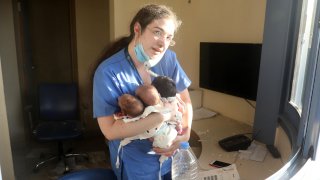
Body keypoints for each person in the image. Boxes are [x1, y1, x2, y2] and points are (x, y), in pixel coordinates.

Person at [93, 4, 193, 180]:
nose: (163, 43)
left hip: (172, 155)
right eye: (157, 32)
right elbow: (110, 130)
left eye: (169, 37)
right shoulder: (108, 72)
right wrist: (164, 115)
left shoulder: (169, 59)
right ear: (137, 29)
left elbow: (186, 98)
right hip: (137, 165)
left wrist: (184, 133)